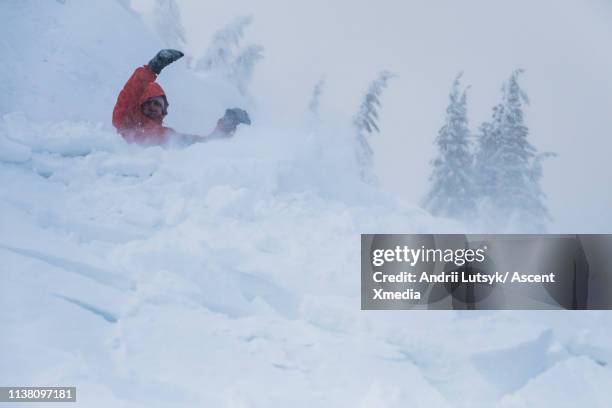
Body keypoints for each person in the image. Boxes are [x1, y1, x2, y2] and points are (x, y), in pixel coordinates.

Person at [112, 49, 250, 145]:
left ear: (164, 110)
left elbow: (200, 146)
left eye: (157, 103)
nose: (153, 106)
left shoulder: (166, 136)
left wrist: (224, 127)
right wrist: (152, 68)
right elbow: (129, 94)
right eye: (149, 103)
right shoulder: (127, 123)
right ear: (140, 106)